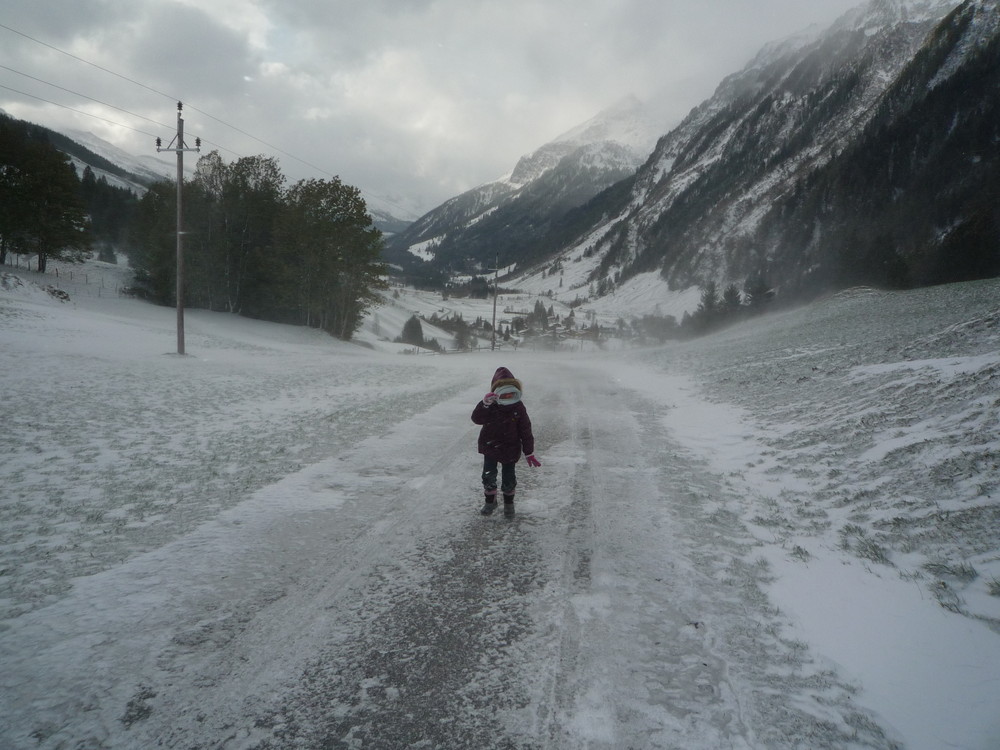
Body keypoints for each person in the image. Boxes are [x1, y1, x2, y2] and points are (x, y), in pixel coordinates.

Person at [471, 366, 541, 516]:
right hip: (490, 447)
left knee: (509, 478)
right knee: (488, 475)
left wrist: (529, 452)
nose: (508, 397)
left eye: (511, 394)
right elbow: (477, 419)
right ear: (496, 393)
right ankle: (490, 501)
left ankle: (509, 503)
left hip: (510, 448)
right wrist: (484, 404)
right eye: (504, 394)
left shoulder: (519, 407)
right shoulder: (490, 406)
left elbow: (525, 430)